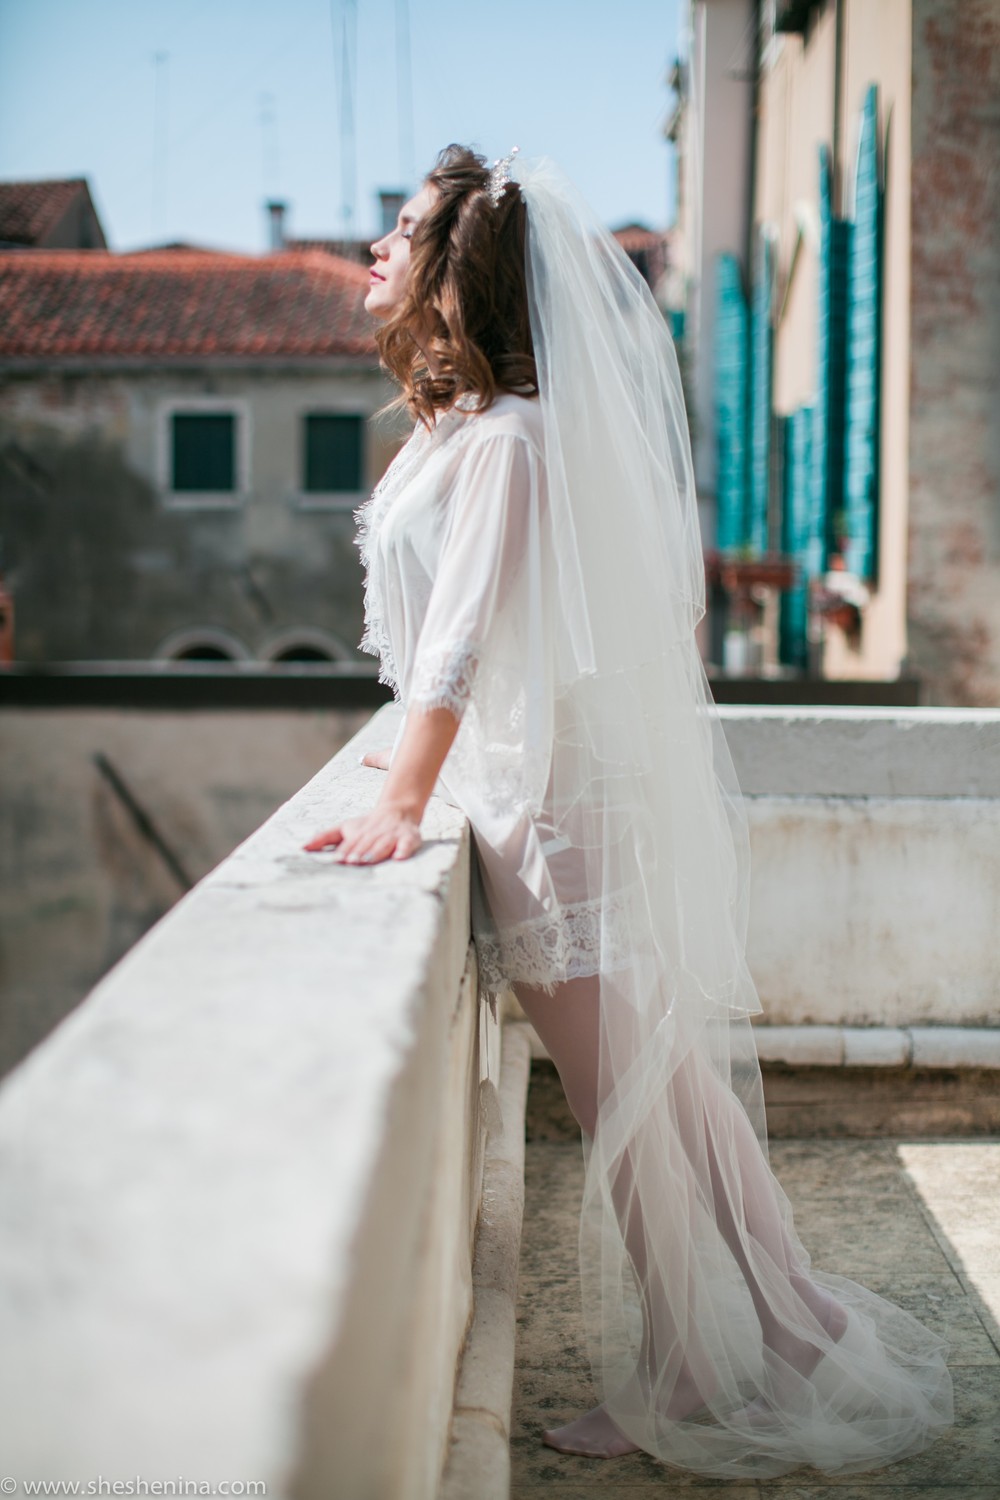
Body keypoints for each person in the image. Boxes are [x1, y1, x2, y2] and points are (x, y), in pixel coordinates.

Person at [304, 144, 953, 1479]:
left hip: (546, 820)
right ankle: (780, 1328)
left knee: (634, 1106)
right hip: (527, 792)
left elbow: (461, 645)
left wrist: (408, 794)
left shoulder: (511, 441)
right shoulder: (474, 429)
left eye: (403, 232)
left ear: (461, 272)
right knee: (661, 1091)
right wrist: (418, 772)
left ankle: (722, 1354)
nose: (377, 249)